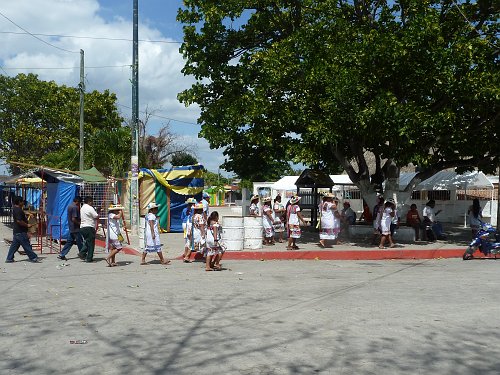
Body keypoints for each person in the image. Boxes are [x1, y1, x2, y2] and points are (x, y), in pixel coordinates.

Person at [5, 196, 40, 263]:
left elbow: (22, 213)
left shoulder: (16, 208)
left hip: (17, 231)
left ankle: (9, 258)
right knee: (26, 244)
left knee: (14, 246)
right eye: (22, 201)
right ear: (19, 202)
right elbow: (19, 221)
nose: (23, 202)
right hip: (20, 231)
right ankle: (33, 257)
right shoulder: (18, 210)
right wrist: (27, 225)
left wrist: (29, 214)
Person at [58, 196, 82, 261]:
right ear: (77, 202)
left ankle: (62, 254)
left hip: (71, 227)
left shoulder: (70, 206)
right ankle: (82, 254)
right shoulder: (75, 207)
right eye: (79, 203)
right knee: (80, 241)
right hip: (75, 227)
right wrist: (79, 224)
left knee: (70, 241)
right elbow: (74, 219)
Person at [79, 196, 100, 263]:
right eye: (92, 201)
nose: (92, 203)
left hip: (82, 227)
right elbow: (96, 216)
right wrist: (98, 211)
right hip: (89, 227)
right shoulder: (90, 208)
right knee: (91, 244)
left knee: (87, 241)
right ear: (89, 201)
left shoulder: (82, 208)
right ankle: (89, 258)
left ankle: (82, 253)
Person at [182, 197, 197, 262]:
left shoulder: (184, 209)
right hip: (190, 224)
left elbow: (182, 217)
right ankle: (187, 255)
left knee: (187, 240)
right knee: (190, 240)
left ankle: (185, 253)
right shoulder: (193, 210)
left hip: (184, 224)